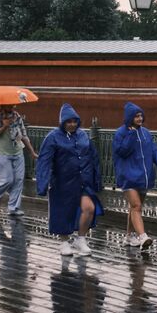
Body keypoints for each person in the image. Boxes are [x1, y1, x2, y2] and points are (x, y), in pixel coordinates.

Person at [35, 103, 102, 258]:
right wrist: (43, 184)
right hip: (62, 182)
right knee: (63, 211)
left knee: (89, 208)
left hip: (83, 181)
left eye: (74, 121)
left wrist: (96, 178)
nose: (72, 124)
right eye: (68, 122)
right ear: (62, 122)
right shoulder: (52, 137)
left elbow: (93, 157)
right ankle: (64, 241)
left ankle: (81, 238)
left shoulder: (83, 135)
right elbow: (44, 160)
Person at [112, 102, 157, 249]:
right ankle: (142, 237)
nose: (140, 119)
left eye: (141, 116)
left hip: (144, 177)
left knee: (134, 208)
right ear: (129, 117)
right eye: (136, 116)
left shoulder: (146, 133)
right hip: (128, 176)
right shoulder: (121, 133)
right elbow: (122, 152)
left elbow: (155, 152)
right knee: (136, 205)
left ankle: (129, 237)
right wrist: (132, 135)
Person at [0, 103, 37, 217]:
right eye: (10, 105)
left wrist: (31, 151)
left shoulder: (17, 116)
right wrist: (4, 126)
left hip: (18, 153)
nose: (13, 107)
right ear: (3, 105)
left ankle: (13, 208)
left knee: (18, 180)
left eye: (13, 105)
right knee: (6, 180)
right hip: (2, 154)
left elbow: (23, 135)